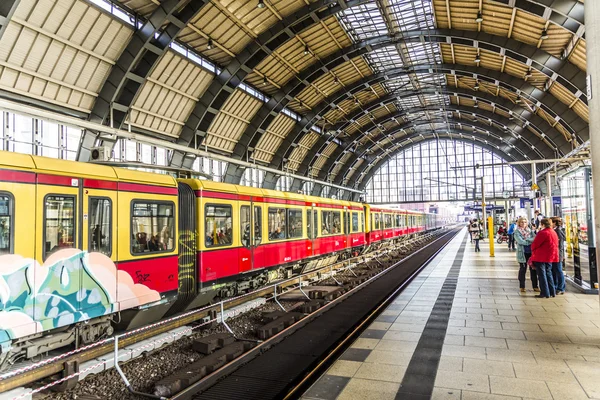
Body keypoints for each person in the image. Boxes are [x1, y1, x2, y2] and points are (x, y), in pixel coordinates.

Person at [530, 218, 558, 299]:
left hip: (541, 256)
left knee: (542, 275)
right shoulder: (553, 232)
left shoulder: (543, 233)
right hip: (550, 256)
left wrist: (533, 250)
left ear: (542, 224)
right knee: (548, 273)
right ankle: (552, 291)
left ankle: (545, 292)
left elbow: (535, 244)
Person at [514, 217, 539, 293]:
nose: (523, 224)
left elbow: (535, 238)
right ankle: (522, 286)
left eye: (525, 222)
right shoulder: (517, 232)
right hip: (522, 253)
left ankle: (535, 286)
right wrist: (529, 241)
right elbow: (520, 242)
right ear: (519, 223)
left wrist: (527, 240)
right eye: (522, 222)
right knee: (522, 270)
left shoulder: (530, 231)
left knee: (533, 270)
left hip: (531, 253)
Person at [551, 217, 566, 295]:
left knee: (558, 270)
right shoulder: (555, 230)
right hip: (554, 254)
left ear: (554, 223)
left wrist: (561, 255)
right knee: (555, 270)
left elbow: (560, 245)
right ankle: (556, 286)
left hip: (557, 254)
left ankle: (561, 288)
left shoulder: (558, 231)